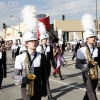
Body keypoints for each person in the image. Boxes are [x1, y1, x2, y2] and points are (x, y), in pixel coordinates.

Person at [13, 5, 47, 100]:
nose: (34, 42)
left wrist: (44, 88)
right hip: (26, 89)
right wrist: (23, 79)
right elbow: (15, 76)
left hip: (38, 89)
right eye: (31, 41)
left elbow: (44, 76)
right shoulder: (20, 58)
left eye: (35, 40)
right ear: (26, 44)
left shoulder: (41, 56)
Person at [76, 13, 100, 100]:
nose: (93, 38)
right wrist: (87, 66)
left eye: (94, 36)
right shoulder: (81, 50)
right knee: (92, 95)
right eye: (91, 37)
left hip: (96, 74)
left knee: (89, 94)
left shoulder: (97, 49)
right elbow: (77, 65)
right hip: (87, 75)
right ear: (86, 39)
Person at [37, 22, 54, 100]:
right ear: (41, 40)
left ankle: (44, 92)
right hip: (40, 66)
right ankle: (48, 94)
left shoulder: (49, 47)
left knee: (46, 80)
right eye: (44, 39)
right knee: (43, 80)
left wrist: (54, 64)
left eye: (46, 39)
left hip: (47, 66)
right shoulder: (38, 48)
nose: (45, 40)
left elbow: (51, 57)